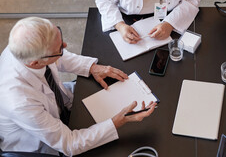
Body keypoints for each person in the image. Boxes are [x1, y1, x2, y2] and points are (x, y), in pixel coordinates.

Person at [0, 17, 157, 156]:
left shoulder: (24, 45)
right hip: (42, 143)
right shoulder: (19, 101)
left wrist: (92, 68)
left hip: (60, 103)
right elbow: (69, 144)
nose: (65, 45)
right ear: (35, 62)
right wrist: (117, 121)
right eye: (60, 48)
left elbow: (58, 57)